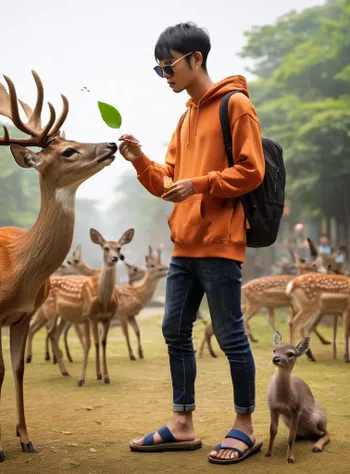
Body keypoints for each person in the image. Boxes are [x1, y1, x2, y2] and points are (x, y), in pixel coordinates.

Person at [119, 22, 265, 465]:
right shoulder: (185, 116)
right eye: (159, 69)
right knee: (174, 330)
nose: (165, 75)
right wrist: (141, 160)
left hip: (220, 242)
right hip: (184, 244)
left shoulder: (236, 105)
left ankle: (244, 426)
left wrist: (199, 184)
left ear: (195, 59)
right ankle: (183, 423)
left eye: (169, 66)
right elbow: (168, 182)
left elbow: (252, 170)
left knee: (229, 334)